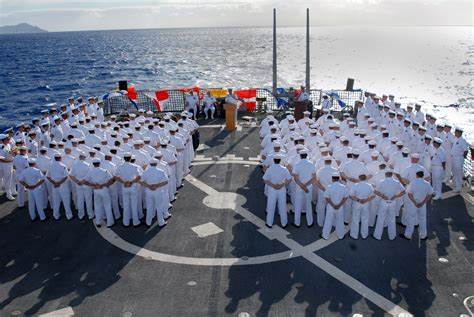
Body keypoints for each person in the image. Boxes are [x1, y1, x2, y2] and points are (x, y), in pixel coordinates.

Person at [373, 169, 405, 240]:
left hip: (384, 202)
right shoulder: (396, 182)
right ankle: (392, 236)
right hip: (393, 202)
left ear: (386, 174)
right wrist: (396, 196)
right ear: (391, 174)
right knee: (392, 219)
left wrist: (382, 196)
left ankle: (377, 236)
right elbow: (403, 191)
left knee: (380, 219)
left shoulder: (382, 182)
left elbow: (375, 191)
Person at [83, 158, 115, 227]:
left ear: (93, 164)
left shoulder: (90, 171)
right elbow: (112, 179)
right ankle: (110, 222)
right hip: (104, 189)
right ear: (100, 163)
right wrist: (104, 184)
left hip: (96, 190)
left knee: (97, 206)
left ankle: (98, 222)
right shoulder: (105, 171)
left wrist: (93, 185)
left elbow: (85, 181)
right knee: (107, 206)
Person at [262, 154, 292, 228]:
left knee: (271, 206)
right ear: (280, 161)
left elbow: (265, 179)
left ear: (273, 160)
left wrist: (273, 185)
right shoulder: (284, 169)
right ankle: (284, 223)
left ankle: (269, 223)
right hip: (281, 189)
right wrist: (282, 185)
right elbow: (289, 179)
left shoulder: (270, 169)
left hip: (272, 189)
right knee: (282, 206)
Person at [402, 170, 433, 240]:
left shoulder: (413, 183)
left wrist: (415, 202)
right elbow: (430, 194)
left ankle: (408, 235)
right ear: (423, 175)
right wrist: (423, 202)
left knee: (411, 219)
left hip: (413, 204)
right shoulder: (427, 183)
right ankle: (423, 235)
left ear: (416, 175)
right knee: (422, 219)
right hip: (422, 204)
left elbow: (409, 194)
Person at [141, 158, 169, 227]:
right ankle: (161, 222)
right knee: (159, 207)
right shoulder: (161, 171)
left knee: (149, 207)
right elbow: (166, 181)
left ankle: (148, 222)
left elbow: (141, 182)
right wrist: (156, 185)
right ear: (157, 164)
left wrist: (149, 186)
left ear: (150, 164)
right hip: (158, 191)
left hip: (149, 191)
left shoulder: (145, 172)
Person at [115, 153, 142, 227]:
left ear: (124, 158)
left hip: (124, 187)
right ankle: (135, 222)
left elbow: (116, 177)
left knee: (126, 205)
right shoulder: (135, 166)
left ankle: (126, 222)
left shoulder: (120, 167)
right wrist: (131, 182)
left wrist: (124, 182)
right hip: (133, 187)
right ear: (130, 158)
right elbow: (139, 176)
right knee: (134, 204)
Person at [291, 149, 315, 227]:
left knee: (298, 205)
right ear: (306, 155)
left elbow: (295, 178)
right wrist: (306, 186)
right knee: (308, 205)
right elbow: (314, 178)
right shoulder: (311, 164)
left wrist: (302, 186)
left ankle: (297, 223)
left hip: (299, 187)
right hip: (309, 187)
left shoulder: (297, 164)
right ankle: (310, 222)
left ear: (300, 156)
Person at [46, 152, 73, 220]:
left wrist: (54, 183)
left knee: (56, 201)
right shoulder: (63, 166)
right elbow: (66, 176)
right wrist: (59, 183)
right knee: (66, 201)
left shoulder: (50, 166)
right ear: (60, 158)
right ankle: (69, 215)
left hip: (54, 186)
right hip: (63, 186)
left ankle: (56, 215)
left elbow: (48, 176)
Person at [321, 172, 348, 240]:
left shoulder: (329, 186)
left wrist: (333, 205)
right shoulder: (344, 187)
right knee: (340, 221)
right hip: (340, 207)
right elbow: (345, 198)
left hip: (331, 207)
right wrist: (339, 205)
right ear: (339, 179)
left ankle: (325, 235)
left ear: (332, 179)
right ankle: (341, 235)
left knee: (328, 221)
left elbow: (327, 197)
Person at [69, 151, 94, 220]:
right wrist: (84, 181)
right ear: (84, 157)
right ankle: (90, 215)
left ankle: (81, 215)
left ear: (79, 157)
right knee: (88, 200)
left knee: (80, 200)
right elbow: (90, 176)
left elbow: (71, 175)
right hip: (86, 184)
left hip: (78, 184)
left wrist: (77, 181)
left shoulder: (74, 165)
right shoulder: (88, 165)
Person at [349, 173, 375, 239]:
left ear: (359, 178)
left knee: (355, 219)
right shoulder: (370, 186)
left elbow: (351, 195)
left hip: (357, 203)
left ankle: (354, 235)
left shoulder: (355, 185)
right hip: (366, 204)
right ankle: (364, 235)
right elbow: (373, 196)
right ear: (365, 178)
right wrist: (366, 200)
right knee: (365, 219)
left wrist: (358, 200)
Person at [451, 127, 469, 193]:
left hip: (458, 159)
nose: (455, 133)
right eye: (455, 132)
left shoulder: (462, 140)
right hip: (453, 158)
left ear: (460, 133)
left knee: (458, 173)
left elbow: (466, 150)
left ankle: (458, 188)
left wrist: (462, 158)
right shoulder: (455, 138)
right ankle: (456, 184)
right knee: (454, 172)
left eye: (456, 132)